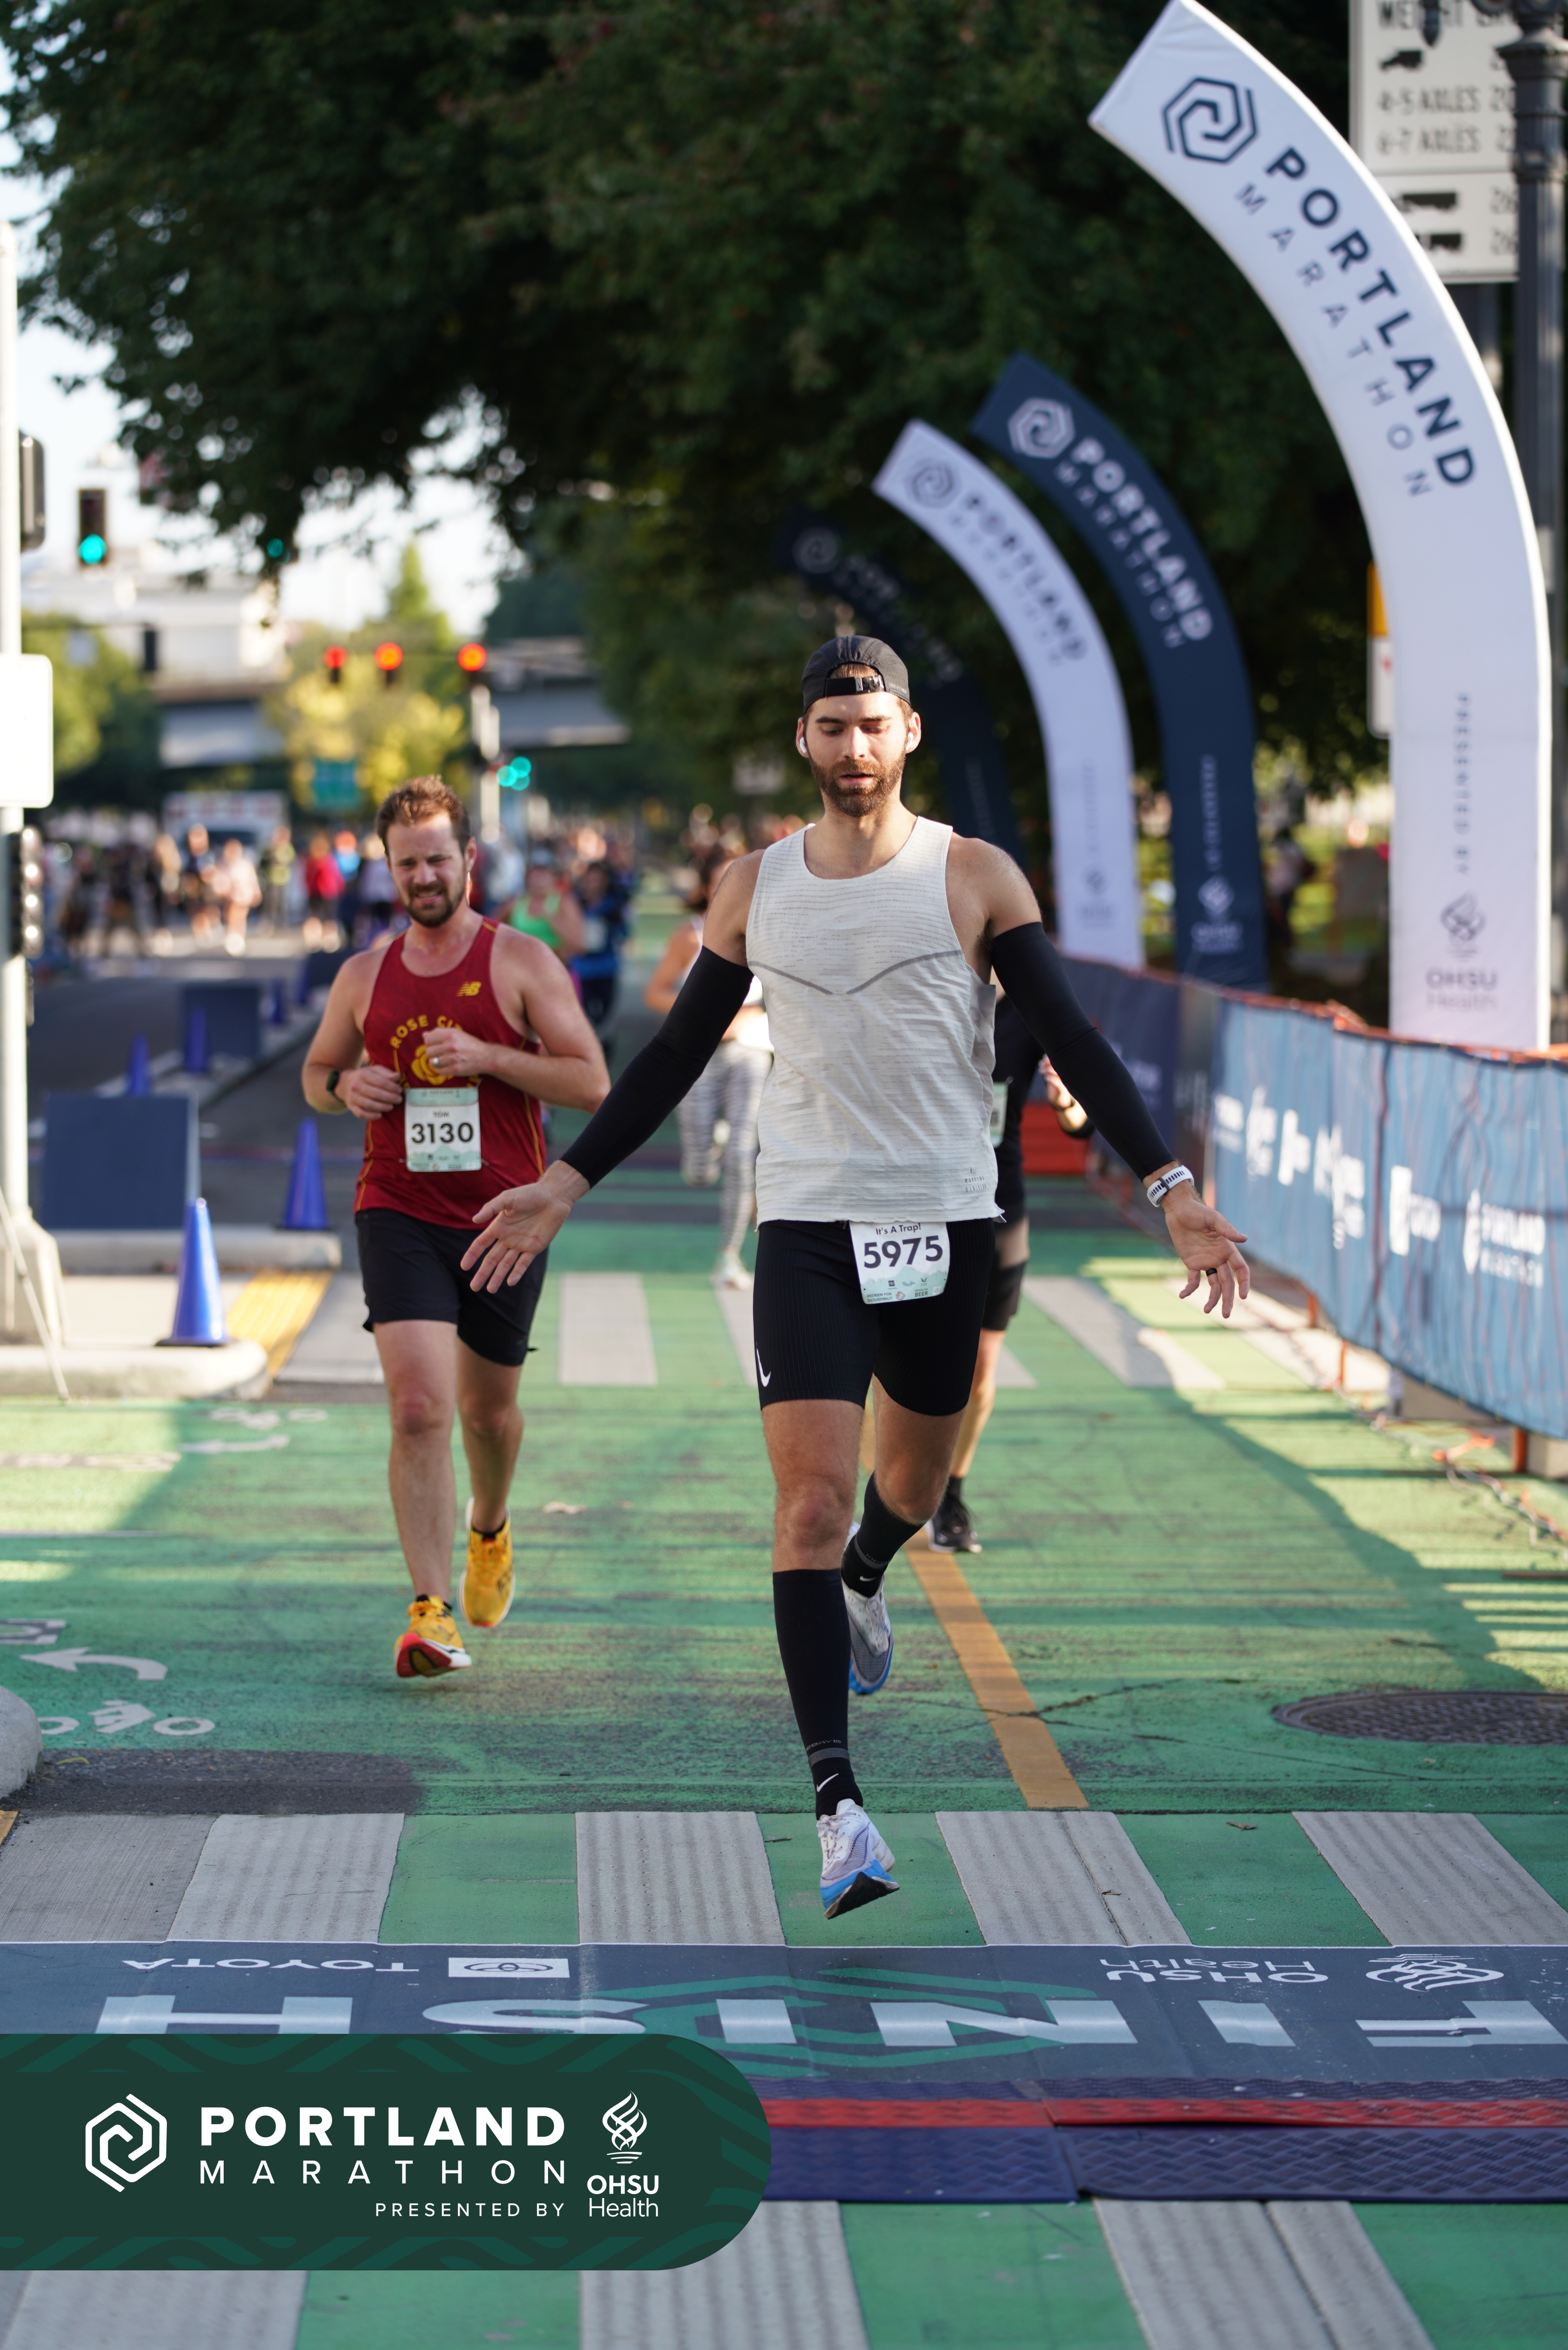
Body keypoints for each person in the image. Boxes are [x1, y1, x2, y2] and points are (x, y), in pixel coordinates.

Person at [460, 638, 1248, 1918]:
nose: (851, 748)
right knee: (809, 1504)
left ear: (908, 734)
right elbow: (672, 1055)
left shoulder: (974, 877)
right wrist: (566, 1181)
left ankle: (875, 1571)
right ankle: (838, 1805)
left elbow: (1072, 1033)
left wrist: (1173, 1190)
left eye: (871, 725)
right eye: (830, 728)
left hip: (945, 1218)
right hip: (811, 1222)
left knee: (911, 1487)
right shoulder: (751, 889)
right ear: (804, 742)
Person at [302, 774, 609, 1678]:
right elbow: (317, 1075)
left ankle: (490, 1522)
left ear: (469, 858)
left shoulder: (520, 962)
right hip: (396, 1206)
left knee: (487, 1411)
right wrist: (344, 1085)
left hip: (502, 1217)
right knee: (418, 1407)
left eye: (438, 858)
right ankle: (430, 1610)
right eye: (408, 863)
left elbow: (592, 1081)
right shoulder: (363, 976)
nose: (425, 876)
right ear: (388, 869)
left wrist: (488, 1056)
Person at [925, 998, 1091, 1554]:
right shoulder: (922, 982)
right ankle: (888, 1493)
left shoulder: (1030, 1003)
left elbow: (1081, 1121)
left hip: (999, 1203)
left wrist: (1066, 1101)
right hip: (914, 1200)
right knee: (894, 1361)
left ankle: (950, 1494)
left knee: (980, 1369)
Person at [644, 847, 771, 1290]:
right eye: (721, 881)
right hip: (698, 1058)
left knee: (743, 1153)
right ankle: (709, 1147)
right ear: (705, 888)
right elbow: (655, 992)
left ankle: (729, 1256)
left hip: (751, 1053)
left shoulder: (768, 929)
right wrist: (698, 1013)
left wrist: (753, 1015)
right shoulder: (690, 936)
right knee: (700, 1170)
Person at [508, 854, 586, 964]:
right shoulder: (517, 902)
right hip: (522, 967)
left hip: (555, 966)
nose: (540, 878)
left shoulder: (564, 902)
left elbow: (579, 945)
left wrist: (550, 918)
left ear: (554, 877)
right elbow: (493, 928)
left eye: (545, 874)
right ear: (528, 877)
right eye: (536, 874)